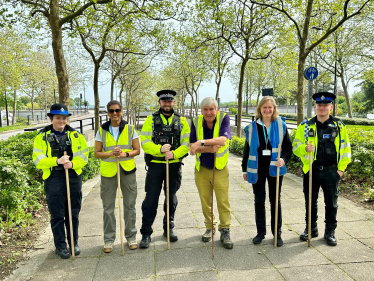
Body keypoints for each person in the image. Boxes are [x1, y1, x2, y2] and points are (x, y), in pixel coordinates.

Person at [293, 92, 351, 246]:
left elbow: (346, 149)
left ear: (331, 107)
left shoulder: (339, 126)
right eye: (319, 105)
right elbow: (295, 147)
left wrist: (341, 170)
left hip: (332, 170)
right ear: (315, 107)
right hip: (311, 169)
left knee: (331, 203)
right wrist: (305, 148)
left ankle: (330, 232)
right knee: (310, 201)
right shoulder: (305, 126)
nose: (322, 108)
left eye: (325, 105)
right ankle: (311, 229)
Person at [32, 103, 89, 259]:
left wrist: (73, 164)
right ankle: (60, 246)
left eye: (64, 118)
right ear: (51, 118)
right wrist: (56, 161)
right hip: (54, 179)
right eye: (58, 118)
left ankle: (73, 243)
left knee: (73, 213)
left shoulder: (76, 135)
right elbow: (37, 160)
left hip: (73, 177)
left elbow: (84, 156)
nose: (61, 121)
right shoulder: (41, 137)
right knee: (57, 214)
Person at [139, 90, 190, 248]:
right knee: (150, 200)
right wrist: (159, 150)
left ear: (174, 102)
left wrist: (174, 153)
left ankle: (168, 228)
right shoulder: (150, 120)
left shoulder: (182, 121)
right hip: (155, 165)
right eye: (164, 101)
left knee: (171, 198)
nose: (167, 103)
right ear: (159, 102)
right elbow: (145, 141)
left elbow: (186, 143)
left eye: (170, 101)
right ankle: (146, 233)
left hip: (173, 165)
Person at [241, 97, 292, 247]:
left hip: (275, 168)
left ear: (274, 109)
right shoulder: (252, 127)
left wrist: (283, 159)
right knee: (259, 201)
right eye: (264, 107)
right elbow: (246, 150)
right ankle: (260, 233)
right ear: (260, 109)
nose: (267, 110)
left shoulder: (281, 125)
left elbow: (288, 147)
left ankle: (277, 233)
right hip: (257, 168)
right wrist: (244, 169)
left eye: (270, 107)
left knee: (275, 201)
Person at [94, 100, 140, 253]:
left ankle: (131, 236)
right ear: (107, 112)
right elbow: (97, 153)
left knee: (130, 205)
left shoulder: (130, 128)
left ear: (122, 111)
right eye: (111, 111)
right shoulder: (101, 130)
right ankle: (108, 240)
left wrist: (125, 154)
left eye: (117, 110)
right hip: (108, 172)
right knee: (108, 208)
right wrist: (110, 154)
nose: (115, 114)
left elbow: (137, 150)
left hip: (127, 170)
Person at [189, 97, 233, 249]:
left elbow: (222, 140)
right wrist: (207, 148)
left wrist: (201, 142)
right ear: (201, 111)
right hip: (202, 169)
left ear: (217, 109)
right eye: (205, 109)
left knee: (222, 201)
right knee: (205, 201)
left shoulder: (223, 118)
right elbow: (192, 148)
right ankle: (210, 227)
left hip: (219, 168)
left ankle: (225, 229)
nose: (208, 112)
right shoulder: (196, 121)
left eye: (211, 109)